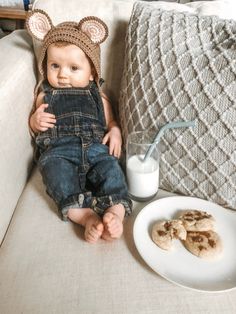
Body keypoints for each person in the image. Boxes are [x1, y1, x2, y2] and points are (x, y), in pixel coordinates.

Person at [26, 10, 132, 243]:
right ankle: (85, 216)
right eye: (55, 66)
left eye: (74, 68)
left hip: (96, 150)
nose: (63, 75)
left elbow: (111, 121)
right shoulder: (46, 94)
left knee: (111, 170)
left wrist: (114, 130)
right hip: (59, 152)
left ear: (93, 72)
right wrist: (35, 121)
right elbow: (35, 125)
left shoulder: (98, 95)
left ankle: (115, 211)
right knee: (54, 173)